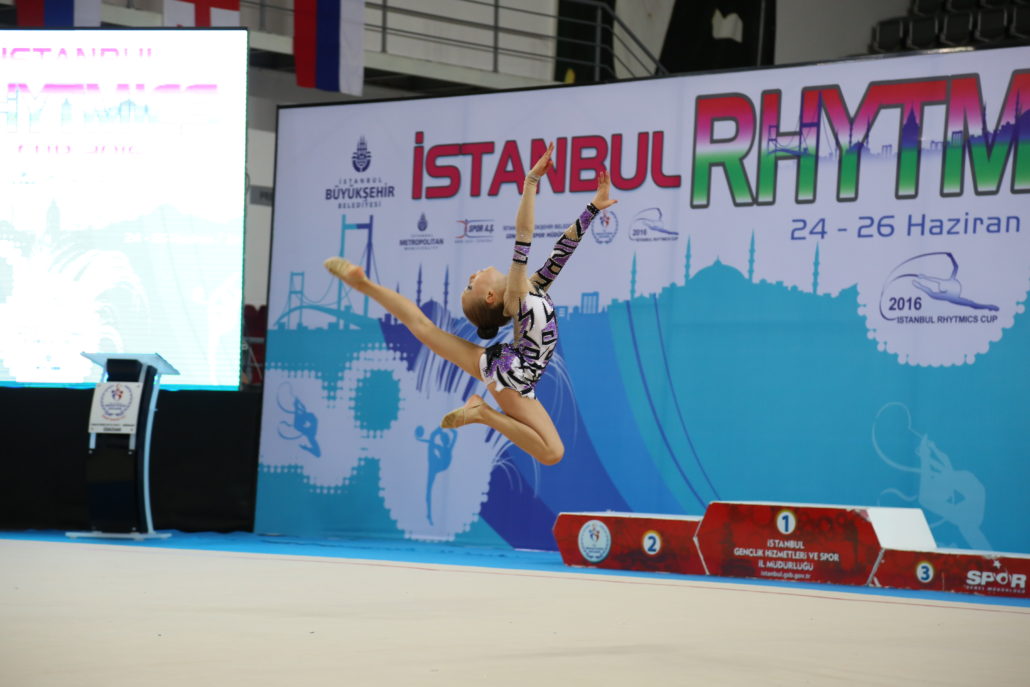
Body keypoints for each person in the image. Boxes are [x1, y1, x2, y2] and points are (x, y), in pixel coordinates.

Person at [324, 143, 617, 466]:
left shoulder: (532, 287)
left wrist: (594, 207)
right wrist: (531, 181)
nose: (473, 275)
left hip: (509, 366)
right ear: (491, 297)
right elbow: (525, 232)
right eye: (471, 285)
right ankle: (482, 413)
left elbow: (564, 248)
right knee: (552, 453)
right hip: (516, 375)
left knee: (425, 330)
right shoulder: (517, 292)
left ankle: (364, 284)